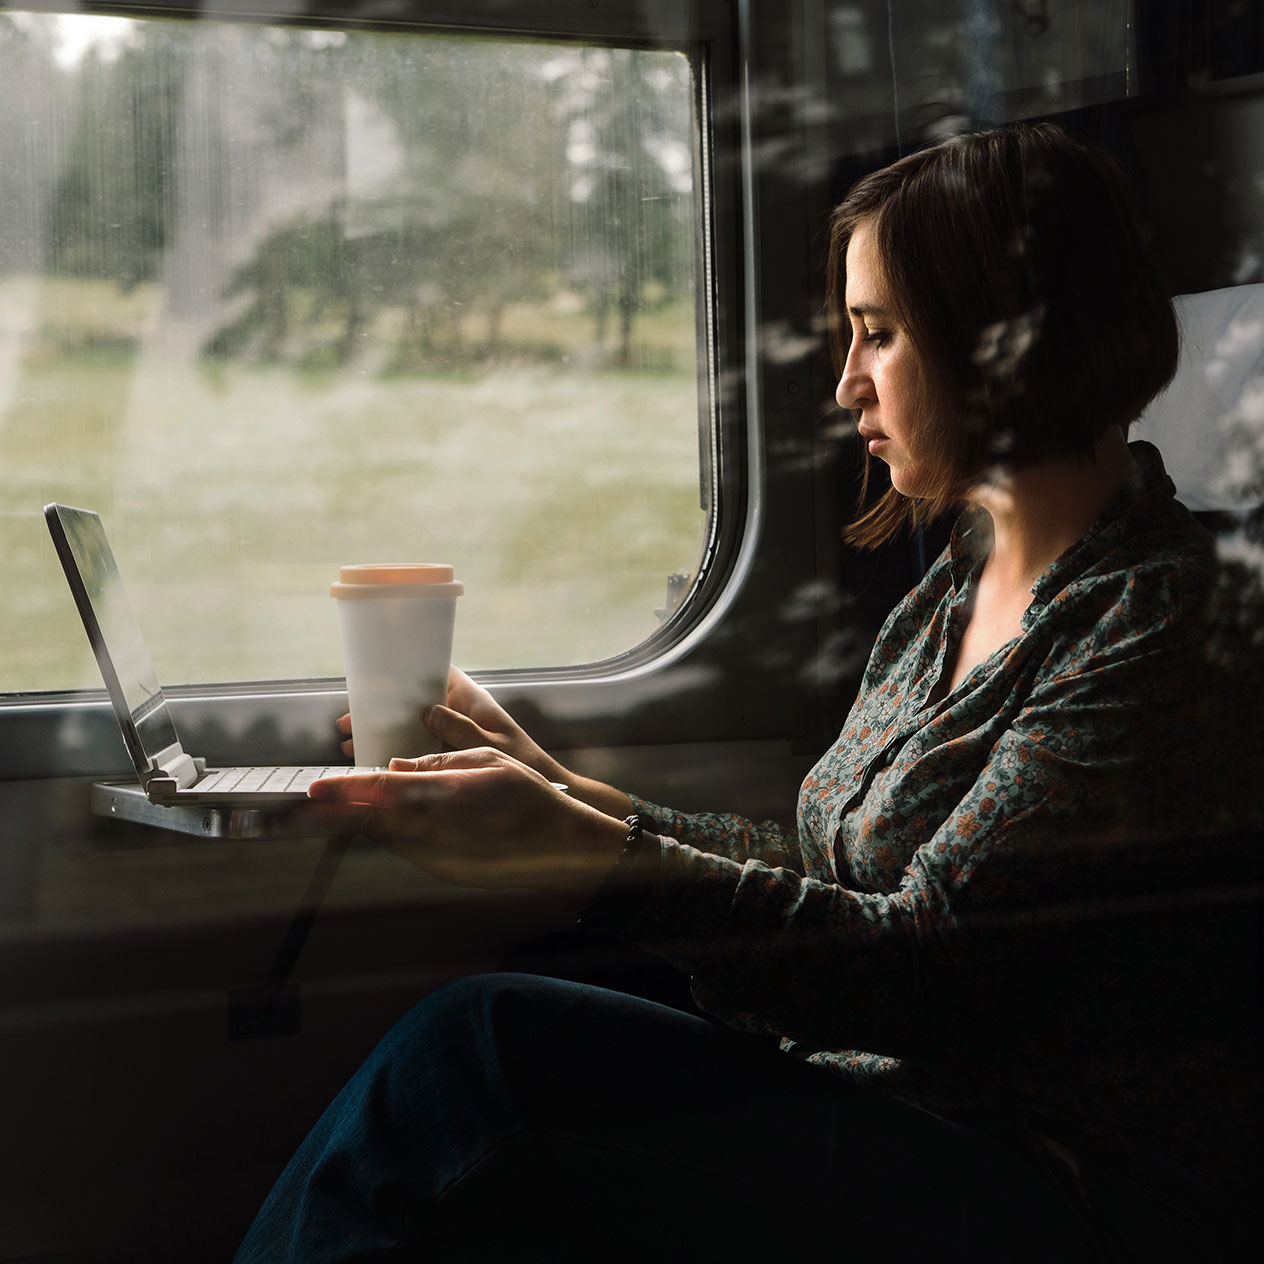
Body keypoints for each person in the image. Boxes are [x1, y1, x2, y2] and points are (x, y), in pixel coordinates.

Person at [235, 123, 1261, 1262]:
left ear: (1005, 343)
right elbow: (833, 878)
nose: (846, 381)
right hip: (895, 1112)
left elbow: (930, 967)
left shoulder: (1161, 617)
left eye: (878, 334)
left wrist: (584, 854)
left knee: (481, 1048)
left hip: (1056, 1181)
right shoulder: (954, 593)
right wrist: (561, 791)